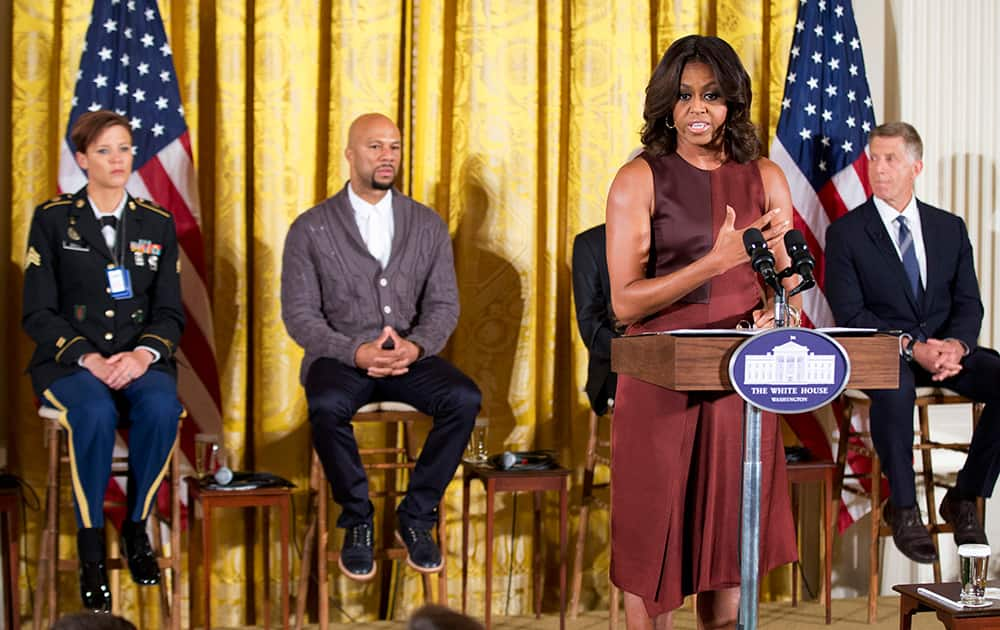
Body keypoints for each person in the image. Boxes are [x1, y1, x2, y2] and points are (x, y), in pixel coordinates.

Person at [605, 35, 798, 629]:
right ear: (666, 103)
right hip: (659, 382)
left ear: (732, 103)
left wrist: (778, 313)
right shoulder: (638, 179)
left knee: (726, 554)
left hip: (741, 382)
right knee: (654, 553)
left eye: (712, 96)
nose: (697, 110)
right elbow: (622, 302)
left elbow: (786, 283)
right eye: (685, 96)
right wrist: (713, 264)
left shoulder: (765, 176)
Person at [281, 113, 480, 580]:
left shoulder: (426, 225)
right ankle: (356, 520)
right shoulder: (310, 228)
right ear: (350, 155)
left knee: (464, 397)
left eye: (393, 146)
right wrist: (355, 351)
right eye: (375, 147)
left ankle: (417, 515)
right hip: (340, 360)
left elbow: (444, 305)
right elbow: (300, 316)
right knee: (326, 404)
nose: (387, 156)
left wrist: (417, 347)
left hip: (410, 357)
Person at [22, 110, 184, 612]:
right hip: (70, 363)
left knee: (161, 408)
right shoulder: (53, 219)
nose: (118, 159)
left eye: (125, 148)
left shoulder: (156, 223)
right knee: (92, 413)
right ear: (82, 160)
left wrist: (141, 354)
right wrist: (89, 358)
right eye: (105, 150)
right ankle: (91, 548)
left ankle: (137, 527)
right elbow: (38, 313)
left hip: (139, 362)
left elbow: (171, 312)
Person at [825, 122, 1000, 563]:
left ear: (915, 167)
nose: (878, 169)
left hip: (944, 350)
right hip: (885, 351)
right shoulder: (847, 233)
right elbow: (850, 314)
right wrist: (910, 345)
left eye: (891, 159)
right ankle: (903, 507)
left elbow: (969, 303)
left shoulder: (949, 228)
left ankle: (965, 496)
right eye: (874, 158)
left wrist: (957, 346)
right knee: (895, 383)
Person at [572, 224, 620, 416]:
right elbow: (591, 327)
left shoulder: (679, 237)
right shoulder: (592, 243)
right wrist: (638, 351)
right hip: (615, 363)